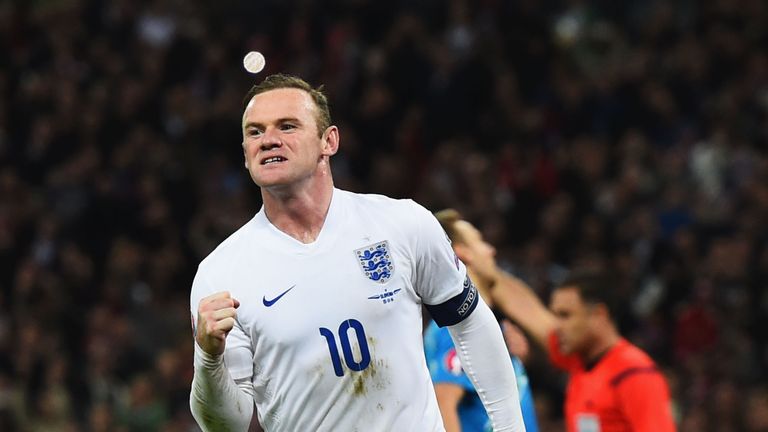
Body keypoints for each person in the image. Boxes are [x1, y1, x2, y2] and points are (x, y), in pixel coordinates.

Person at [188, 73, 526, 432]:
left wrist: (510, 428)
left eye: (287, 126)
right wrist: (209, 359)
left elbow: (470, 322)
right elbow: (228, 426)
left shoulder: (401, 223)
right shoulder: (221, 273)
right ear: (245, 154)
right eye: (255, 132)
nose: (269, 140)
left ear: (328, 141)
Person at [490, 265, 677, 431]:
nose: (557, 326)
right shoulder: (579, 361)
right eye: (556, 315)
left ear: (599, 314)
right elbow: (525, 308)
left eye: (566, 315)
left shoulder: (635, 374)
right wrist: (478, 265)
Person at [425, 209, 539, 432]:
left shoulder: (472, 321)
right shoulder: (456, 326)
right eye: (480, 242)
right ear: (463, 253)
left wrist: (515, 361)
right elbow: (445, 402)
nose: (491, 250)